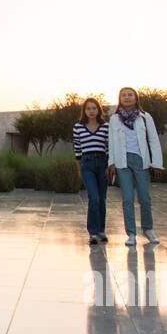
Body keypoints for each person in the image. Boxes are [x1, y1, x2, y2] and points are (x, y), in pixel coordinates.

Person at [106, 87, 163, 246]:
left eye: (130, 95)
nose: (127, 97)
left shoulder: (145, 117)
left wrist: (157, 163)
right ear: (119, 99)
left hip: (141, 162)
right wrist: (111, 163)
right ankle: (131, 233)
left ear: (136, 98)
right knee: (127, 199)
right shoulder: (114, 119)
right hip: (122, 163)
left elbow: (153, 140)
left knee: (144, 197)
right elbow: (111, 143)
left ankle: (148, 229)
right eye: (123, 95)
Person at [72, 97, 109, 244]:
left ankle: (101, 230)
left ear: (98, 110)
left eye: (94, 108)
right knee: (93, 198)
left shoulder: (106, 126)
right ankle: (92, 233)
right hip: (86, 164)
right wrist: (79, 168)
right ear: (84, 111)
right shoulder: (78, 127)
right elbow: (77, 148)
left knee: (102, 200)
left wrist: (110, 167)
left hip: (103, 163)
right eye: (88, 108)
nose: (91, 111)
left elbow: (110, 147)